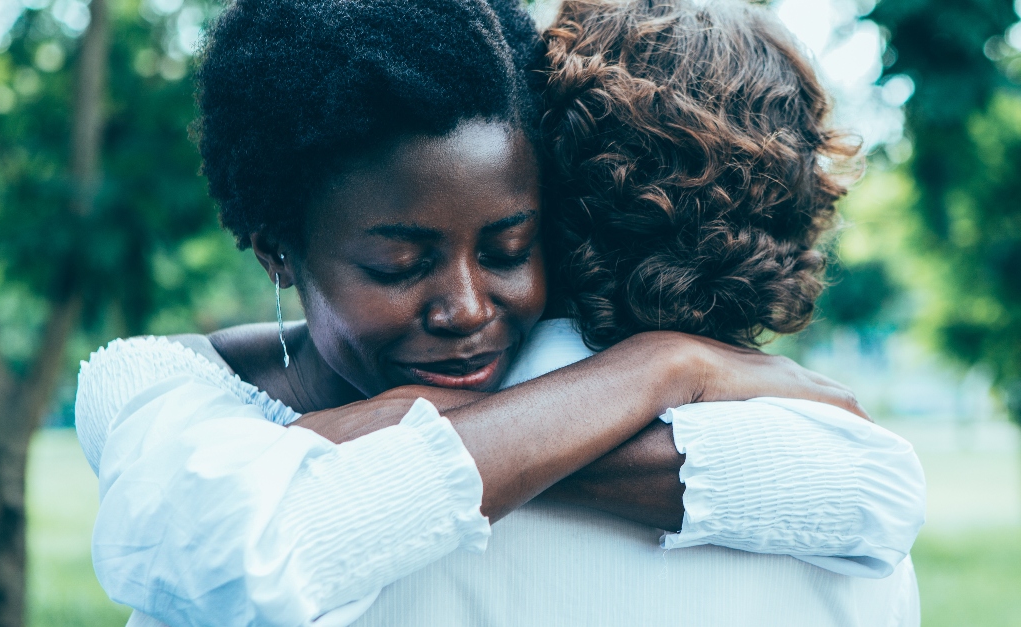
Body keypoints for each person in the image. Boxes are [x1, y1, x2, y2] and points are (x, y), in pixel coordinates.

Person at [74, 0, 924, 625]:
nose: (467, 307)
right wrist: (663, 365)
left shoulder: (322, 470)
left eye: (509, 248)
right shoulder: (172, 400)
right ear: (275, 248)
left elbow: (881, 491)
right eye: (398, 264)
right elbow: (237, 553)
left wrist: (402, 418)